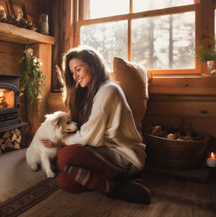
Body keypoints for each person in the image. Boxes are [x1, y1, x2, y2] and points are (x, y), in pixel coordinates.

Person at [41, 46, 150, 204]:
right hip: (103, 151)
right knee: (65, 182)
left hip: (126, 157)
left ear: (93, 65)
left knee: (65, 156)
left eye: (78, 69)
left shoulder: (108, 90)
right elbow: (83, 130)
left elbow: (89, 136)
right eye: (72, 72)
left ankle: (115, 185)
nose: (75, 76)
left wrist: (61, 142)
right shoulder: (91, 92)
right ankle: (112, 184)